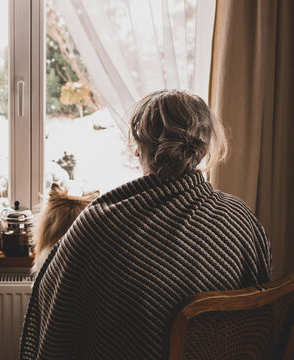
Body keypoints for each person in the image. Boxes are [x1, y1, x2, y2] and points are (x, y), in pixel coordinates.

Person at [19, 89, 272, 360]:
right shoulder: (240, 217)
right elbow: (258, 315)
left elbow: (58, 316)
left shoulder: (101, 224)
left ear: (138, 149)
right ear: (201, 147)